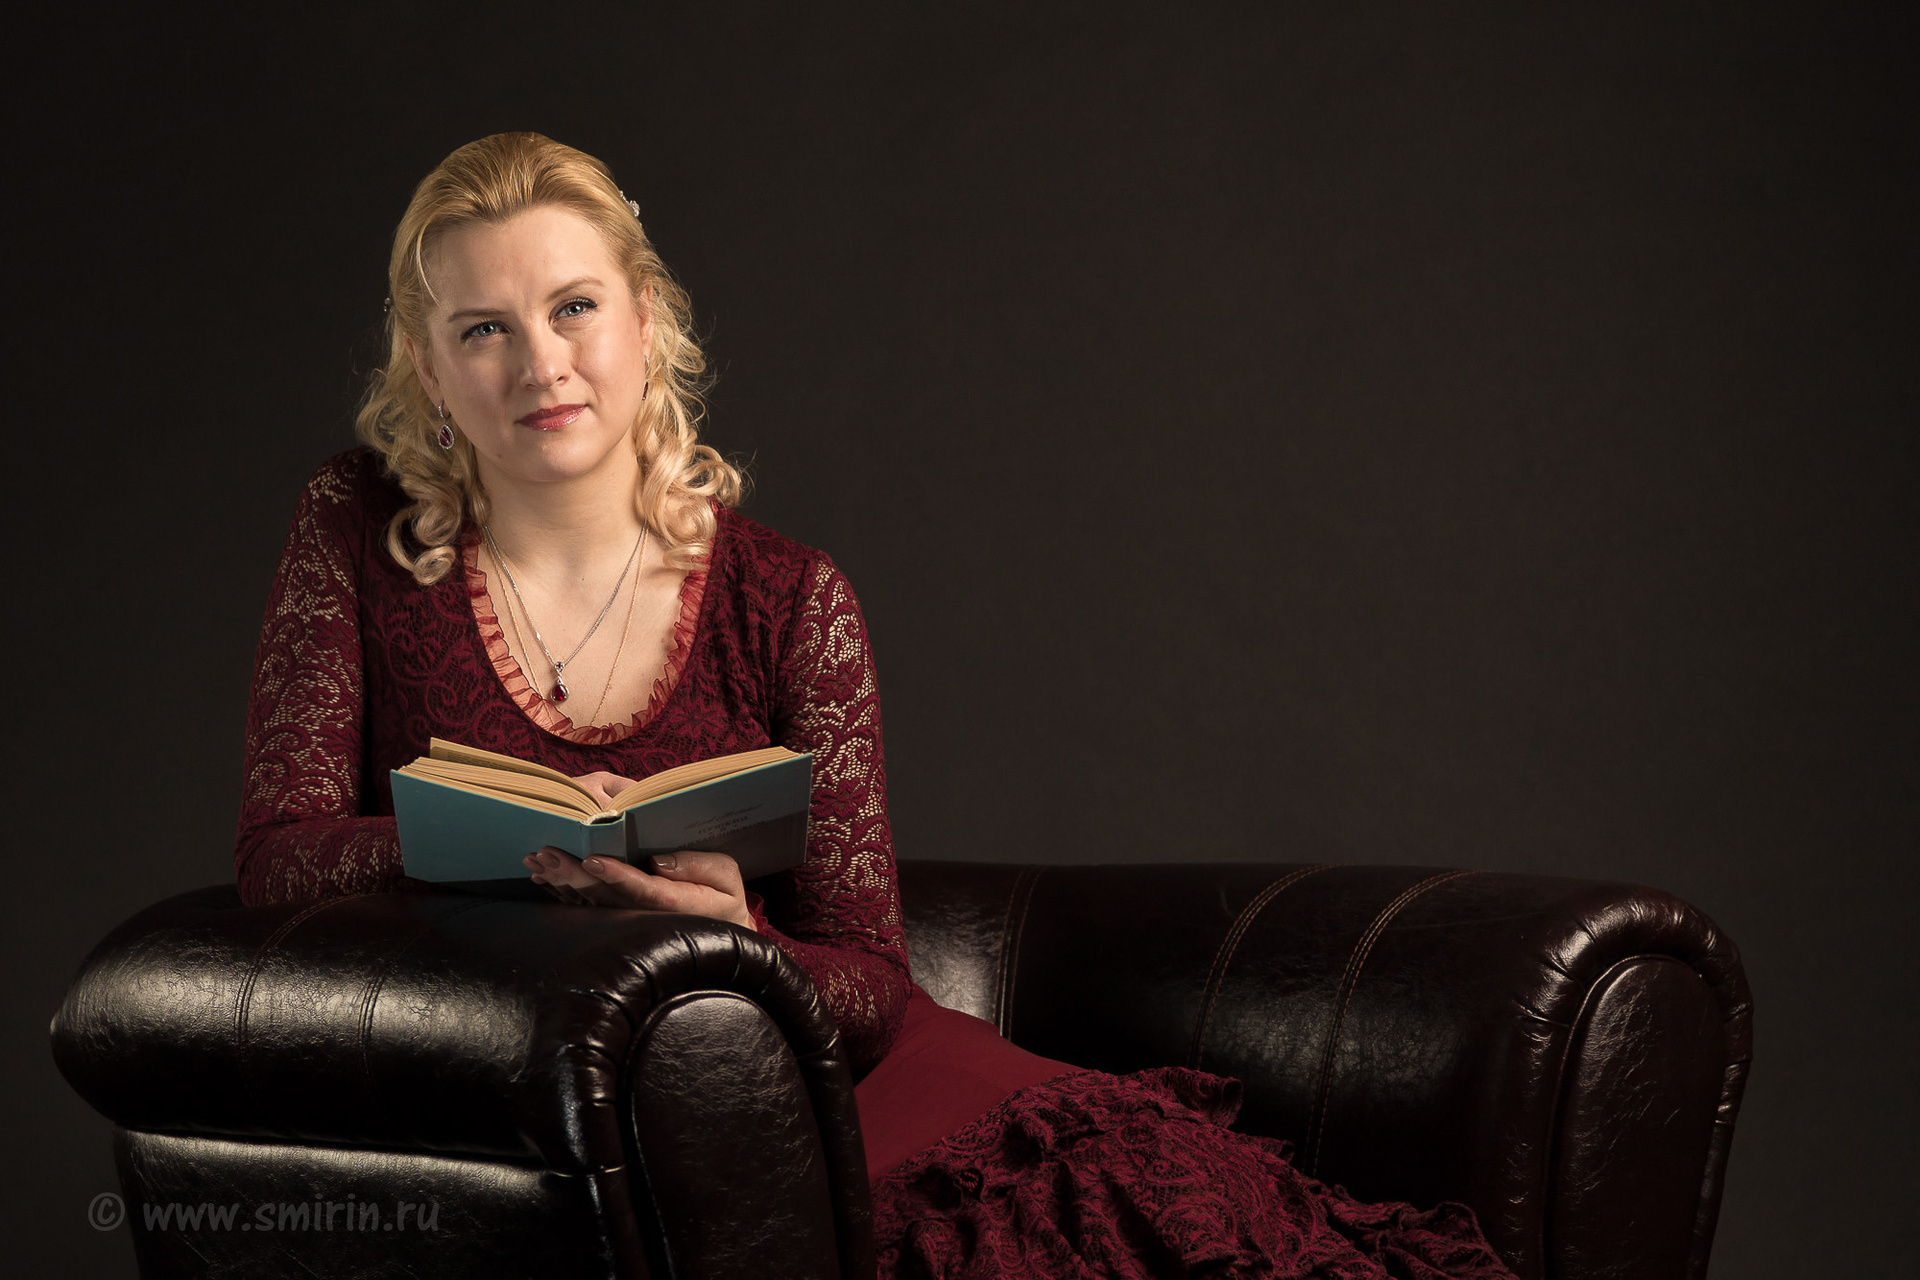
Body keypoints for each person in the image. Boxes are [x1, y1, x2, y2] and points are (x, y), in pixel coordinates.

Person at [237, 131, 1516, 1279]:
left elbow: (870, 981)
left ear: (645, 318)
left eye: (575, 307)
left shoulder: (792, 597)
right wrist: (500, 843)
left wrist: (740, 938)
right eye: (484, 329)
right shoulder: (354, 528)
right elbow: (279, 857)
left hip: (822, 1091)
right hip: (555, 1101)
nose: (542, 363)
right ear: (428, 367)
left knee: (1126, 1219)